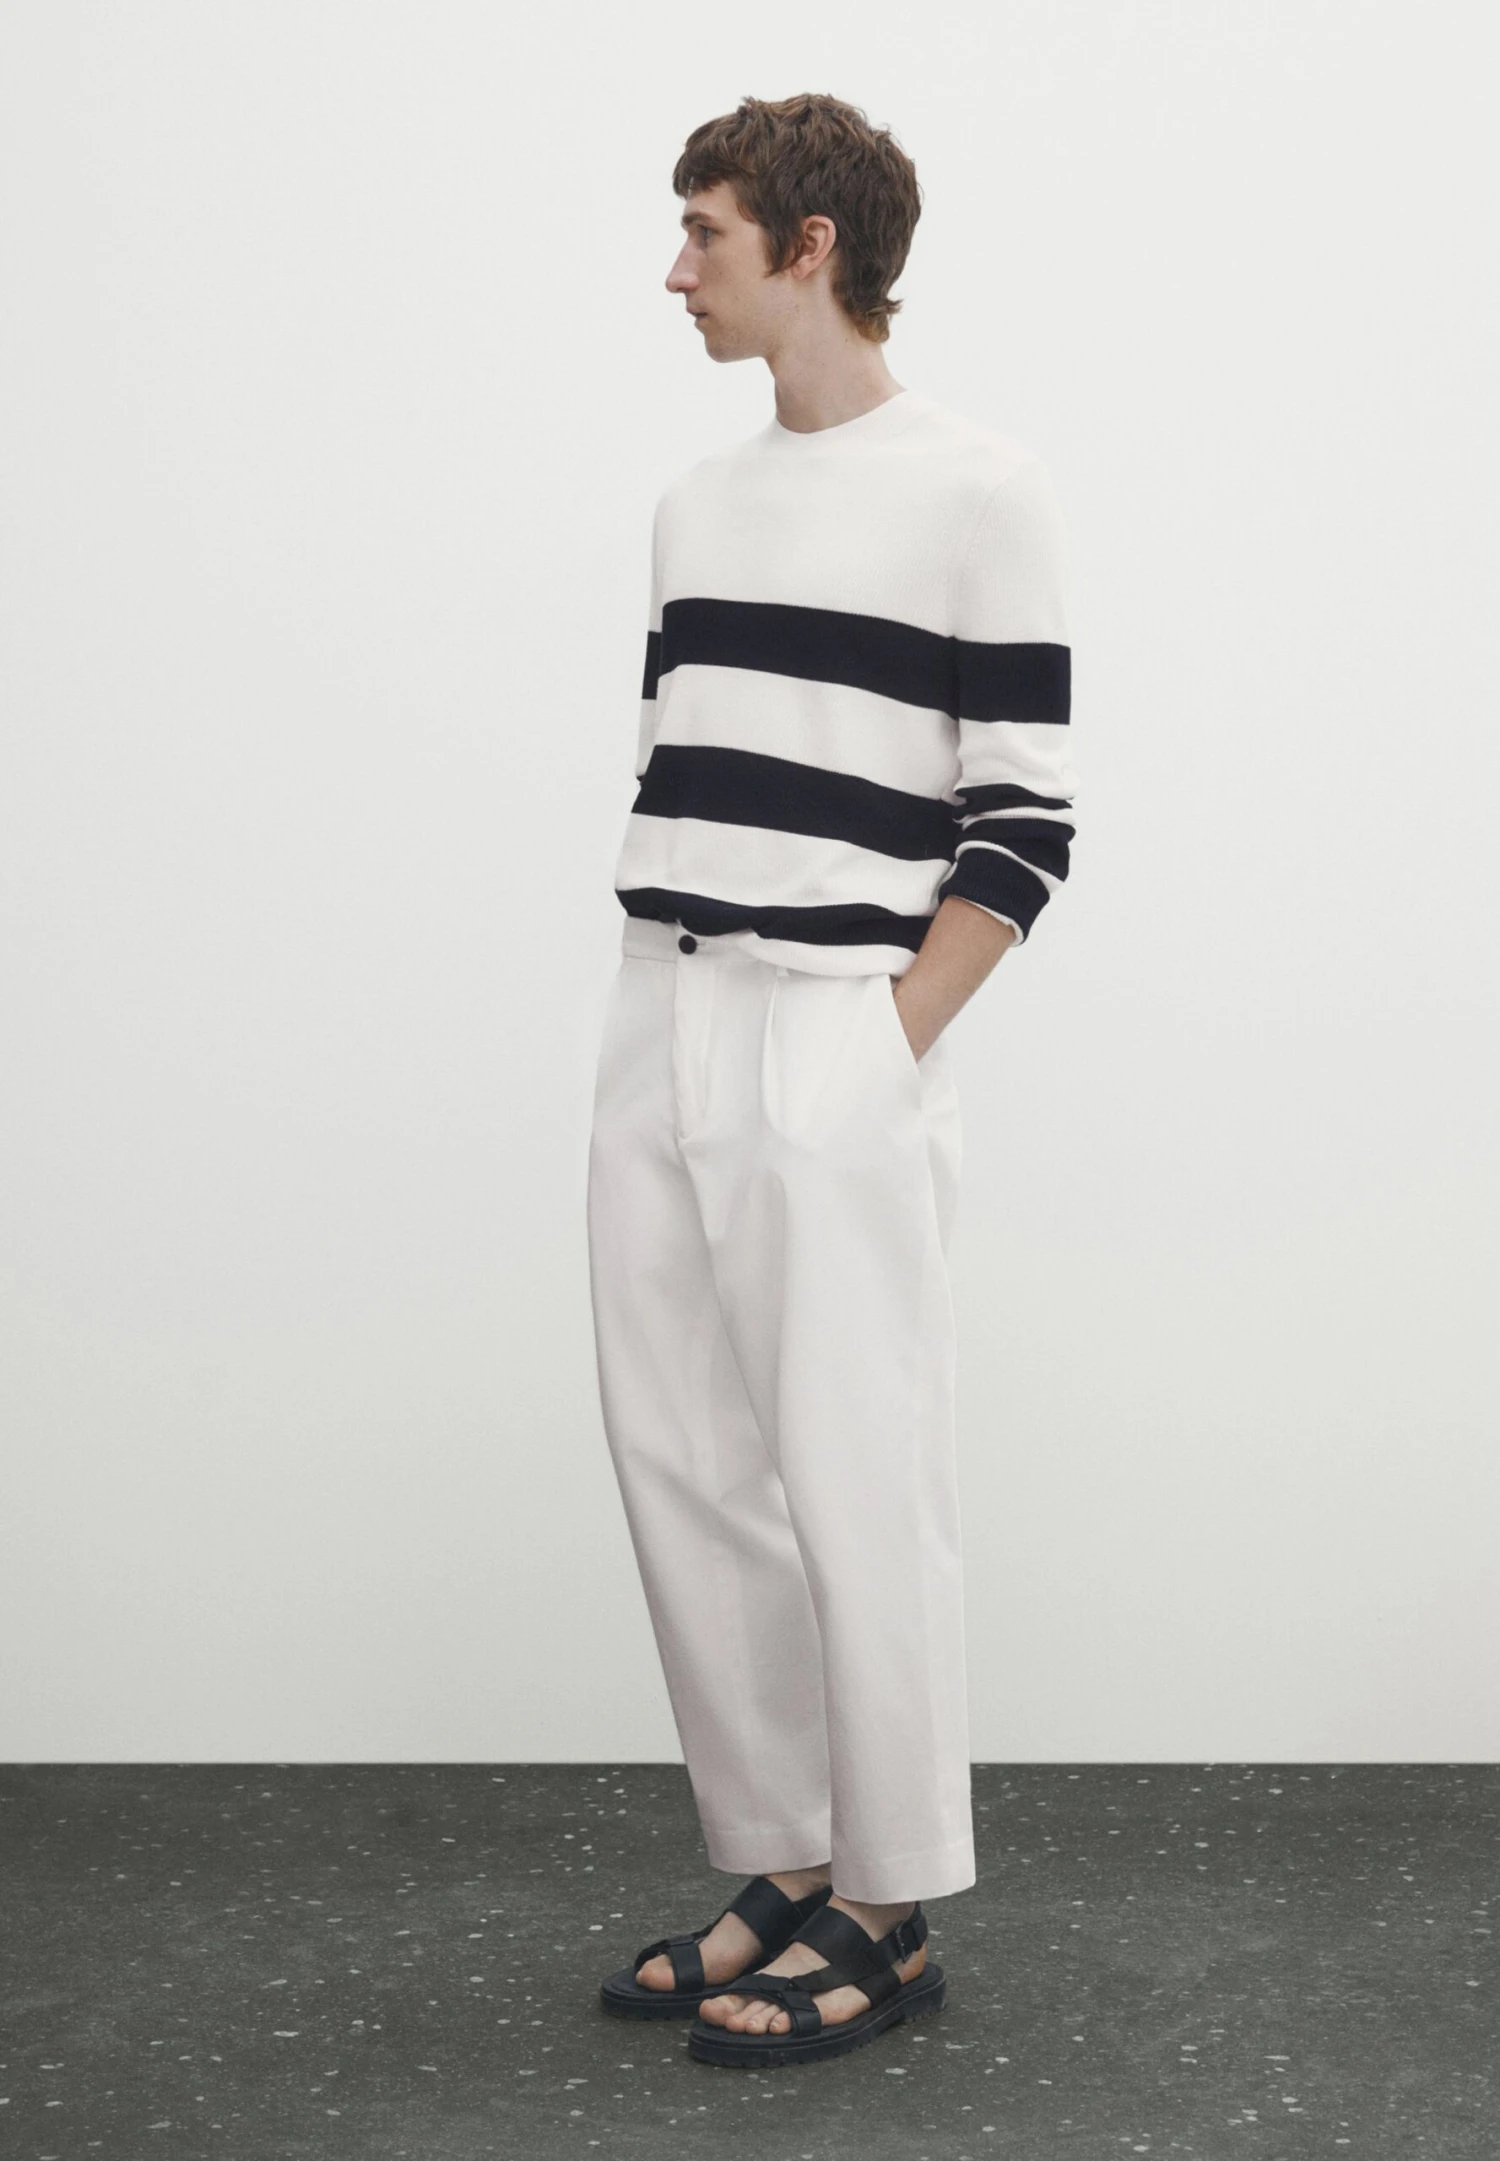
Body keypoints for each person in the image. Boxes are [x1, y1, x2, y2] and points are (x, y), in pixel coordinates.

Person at [587, 91, 1076, 2068]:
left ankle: (891, 1906)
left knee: (860, 1471)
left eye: (705, 232)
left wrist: (881, 1044)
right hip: (663, 998)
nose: (674, 271)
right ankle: (784, 1858)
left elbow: (1026, 819)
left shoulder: (980, 492)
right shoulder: (694, 507)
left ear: (811, 246)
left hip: (835, 1017)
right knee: (683, 1458)